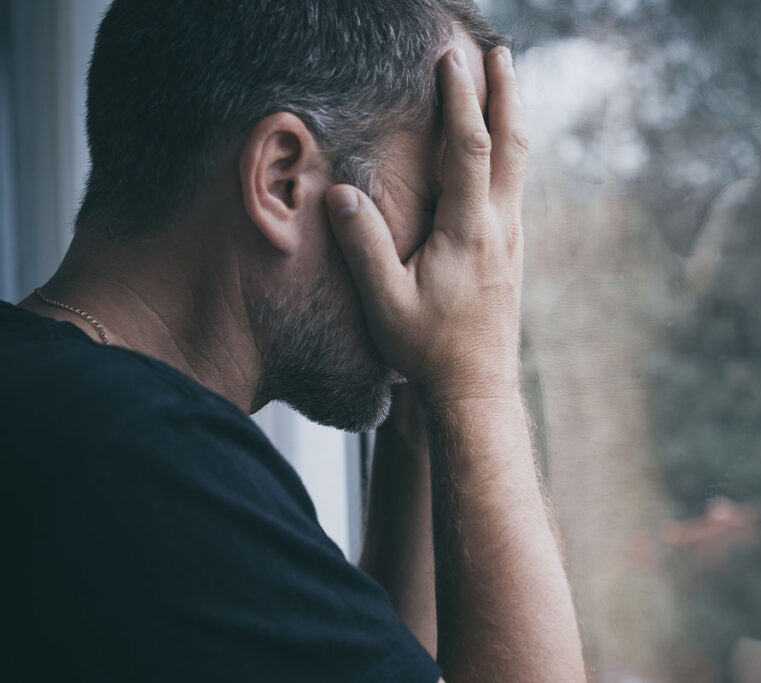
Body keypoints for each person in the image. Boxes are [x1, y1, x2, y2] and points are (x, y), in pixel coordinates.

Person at [0, 1, 586, 681]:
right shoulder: (146, 461)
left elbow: (368, 656)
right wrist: (476, 377)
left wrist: (432, 390)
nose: (466, 255)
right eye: (439, 203)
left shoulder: (55, 414)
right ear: (282, 179)